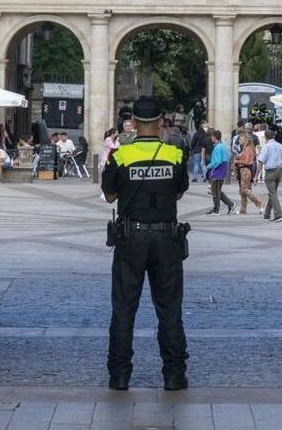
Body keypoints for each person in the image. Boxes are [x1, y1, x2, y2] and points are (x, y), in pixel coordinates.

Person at [101, 96, 189, 391]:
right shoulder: (174, 154)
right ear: (161, 121)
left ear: (134, 122)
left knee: (124, 309)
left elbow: (110, 196)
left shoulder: (120, 155)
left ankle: (119, 374)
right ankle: (175, 374)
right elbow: (179, 193)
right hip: (166, 238)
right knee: (170, 309)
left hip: (131, 239)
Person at [259, 129, 282, 223]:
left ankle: (278, 214)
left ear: (265, 137)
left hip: (270, 172)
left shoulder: (267, 147)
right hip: (279, 171)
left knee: (272, 193)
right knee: (272, 192)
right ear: (273, 136)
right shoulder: (280, 146)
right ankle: (267, 214)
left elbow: (260, 161)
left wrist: (256, 175)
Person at [233, 128, 265, 215]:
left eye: (241, 139)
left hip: (245, 170)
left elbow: (247, 161)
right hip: (243, 170)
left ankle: (260, 203)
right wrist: (238, 156)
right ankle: (243, 209)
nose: (239, 140)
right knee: (242, 190)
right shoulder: (246, 148)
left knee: (245, 190)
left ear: (246, 139)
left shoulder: (248, 148)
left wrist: (237, 161)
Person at [205, 129, 235, 215]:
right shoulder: (223, 146)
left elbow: (217, 161)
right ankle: (230, 204)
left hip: (217, 171)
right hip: (223, 170)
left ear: (214, 137)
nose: (211, 138)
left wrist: (209, 166)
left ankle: (216, 210)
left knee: (215, 191)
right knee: (218, 191)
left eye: (212, 136)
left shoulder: (217, 148)